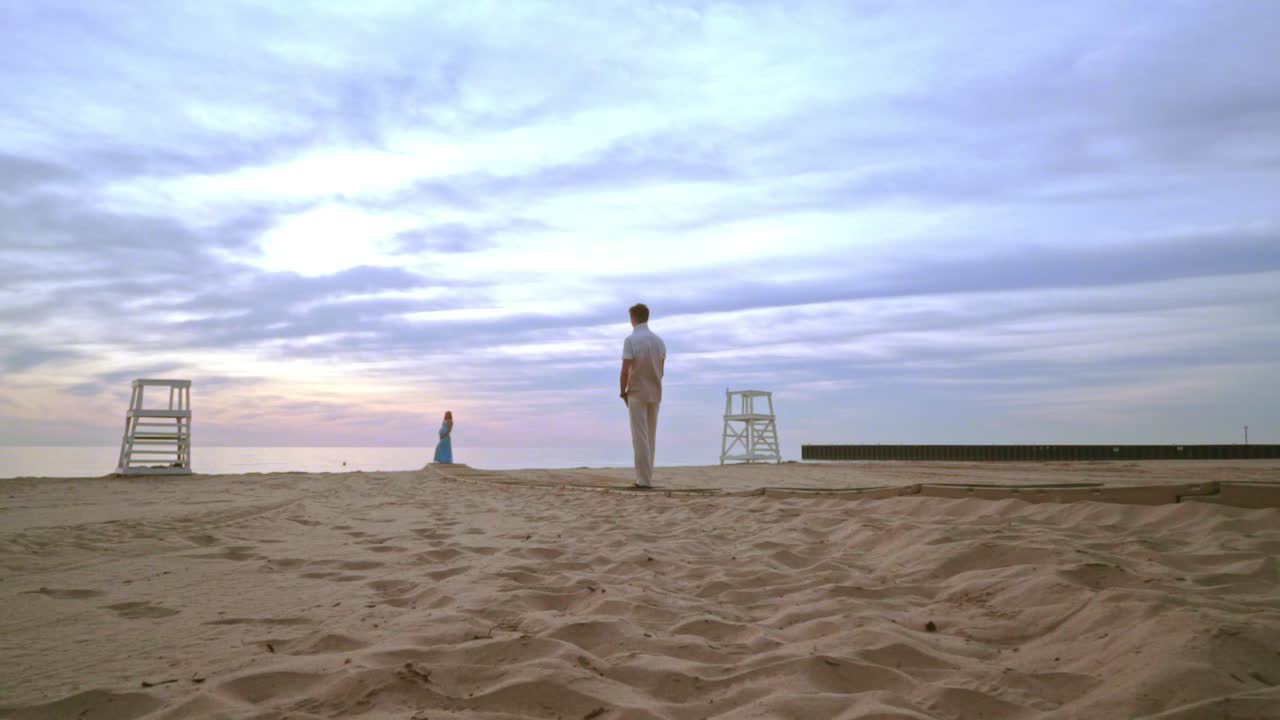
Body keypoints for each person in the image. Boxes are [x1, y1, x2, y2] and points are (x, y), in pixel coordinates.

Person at [620, 303, 666, 488]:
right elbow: (661, 370)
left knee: (640, 436)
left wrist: (623, 391)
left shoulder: (631, 340)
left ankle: (643, 479)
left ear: (634, 318)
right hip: (655, 390)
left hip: (637, 391)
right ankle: (648, 476)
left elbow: (625, 370)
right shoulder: (659, 341)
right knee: (651, 435)